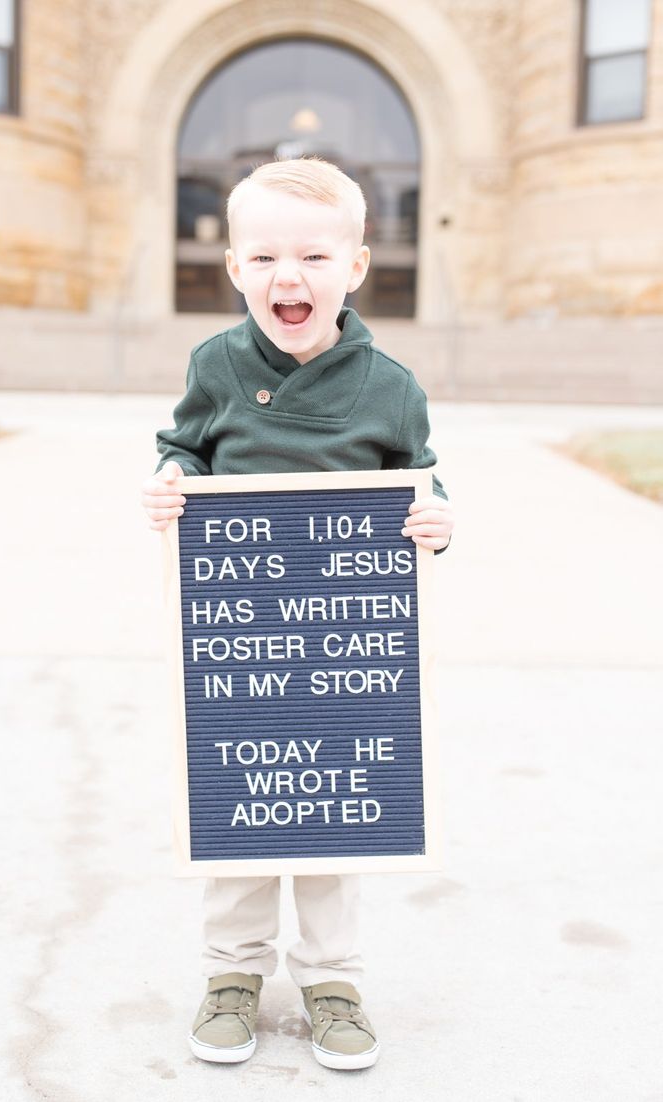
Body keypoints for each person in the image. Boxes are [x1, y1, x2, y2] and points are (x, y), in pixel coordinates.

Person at [141, 157, 454, 1070]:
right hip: (237, 650)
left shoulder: (390, 386)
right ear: (234, 267)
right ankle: (232, 973)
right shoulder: (217, 364)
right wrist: (172, 482)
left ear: (355, 267)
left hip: (347, 659)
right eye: (267, 257)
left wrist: (438, 521)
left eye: (315, 256)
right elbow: (183, 447)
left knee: (330, 820)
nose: (291, 277)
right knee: (237, 816)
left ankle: (332, 981)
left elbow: (422, 477)